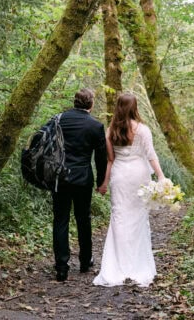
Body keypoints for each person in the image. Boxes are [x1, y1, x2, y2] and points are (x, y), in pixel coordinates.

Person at [93, 92, 166, 288]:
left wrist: (104, 183)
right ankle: (137, 265)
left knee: (119, 217)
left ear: (118, 107)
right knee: (138, 219)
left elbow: (110, 160)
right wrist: (161, 177)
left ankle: (116, 267)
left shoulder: (110, 131)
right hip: (138, 175)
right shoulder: (143, 130)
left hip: (120, 175)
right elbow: (151, 155)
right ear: (135, 108)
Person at [52, 88, 107, 282]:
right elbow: (101, 158)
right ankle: (85, 261)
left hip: (59, 177)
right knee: (83, 219)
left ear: (74, 102)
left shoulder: (58, 120)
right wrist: (101, 181)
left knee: (60, 219)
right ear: (91, 104)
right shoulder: (95, 126)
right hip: (83, 178)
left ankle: (61, 267)